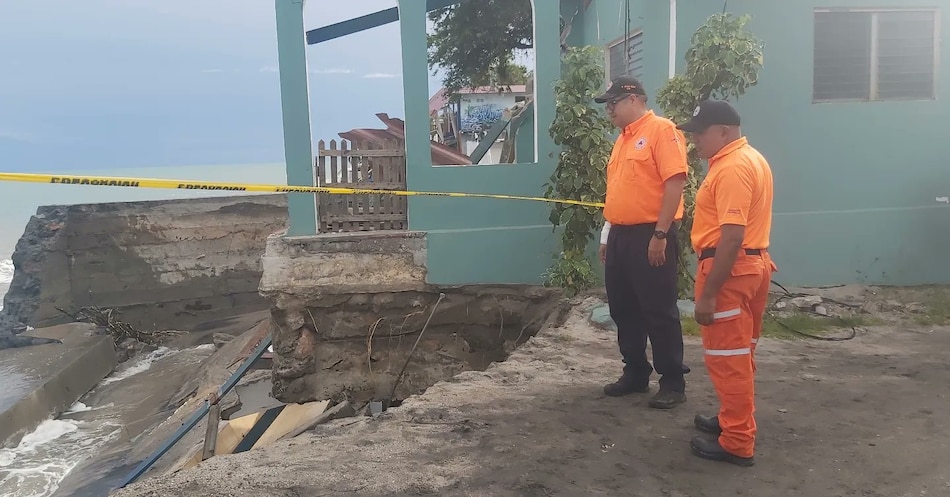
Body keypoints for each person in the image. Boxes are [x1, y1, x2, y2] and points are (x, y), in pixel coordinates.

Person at [675, 99, 776, 466]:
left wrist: (709, 296)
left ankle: (736, 441)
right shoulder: (751, 159)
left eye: (700, 133)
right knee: (740, 354)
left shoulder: (732, 167)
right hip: (752, 267)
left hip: (729, 271)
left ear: (723, 132)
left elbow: (731, 236)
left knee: (727, 358)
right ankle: (732, 419)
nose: (695, 140)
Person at [593, 76, 690, 410]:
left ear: (633, 100)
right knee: (623, 308)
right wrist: (608, 235)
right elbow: (620, 190)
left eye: (613, 104)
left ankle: (672, 381)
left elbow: (675, 183)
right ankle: (635, 371)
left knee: (658, 310)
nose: (610, 111)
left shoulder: (661, 131)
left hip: (651, 233)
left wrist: (661, 235)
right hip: (620, 234)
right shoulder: (622, 140)